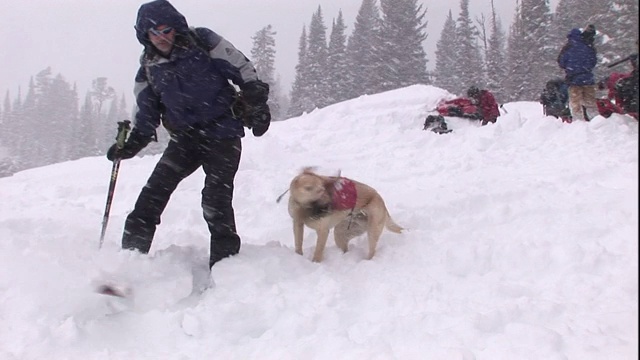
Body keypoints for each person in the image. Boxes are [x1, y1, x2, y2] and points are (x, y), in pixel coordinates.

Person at [106, 0, 271, 270]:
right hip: (185, 140)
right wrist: (133, 143)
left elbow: (241, 68)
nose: (161, 37)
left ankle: (225, 265)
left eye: (165, 30)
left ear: (176, 27)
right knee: (151, 198)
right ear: (144, 35)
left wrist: (257, 102)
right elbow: (146, 111)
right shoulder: (148, 67)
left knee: (216, 198)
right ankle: (128, 265)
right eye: (153, 33)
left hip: (223, 132)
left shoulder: (203, 41)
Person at [557, 25, 598, 121]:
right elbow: (593, 61)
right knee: (590, 101)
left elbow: (561, 62)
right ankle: (594, 119)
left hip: (573, 79)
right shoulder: (588, 45)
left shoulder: (568, 47)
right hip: (588, 78)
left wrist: (571, 68)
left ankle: (578, 122)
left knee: (575, 103)